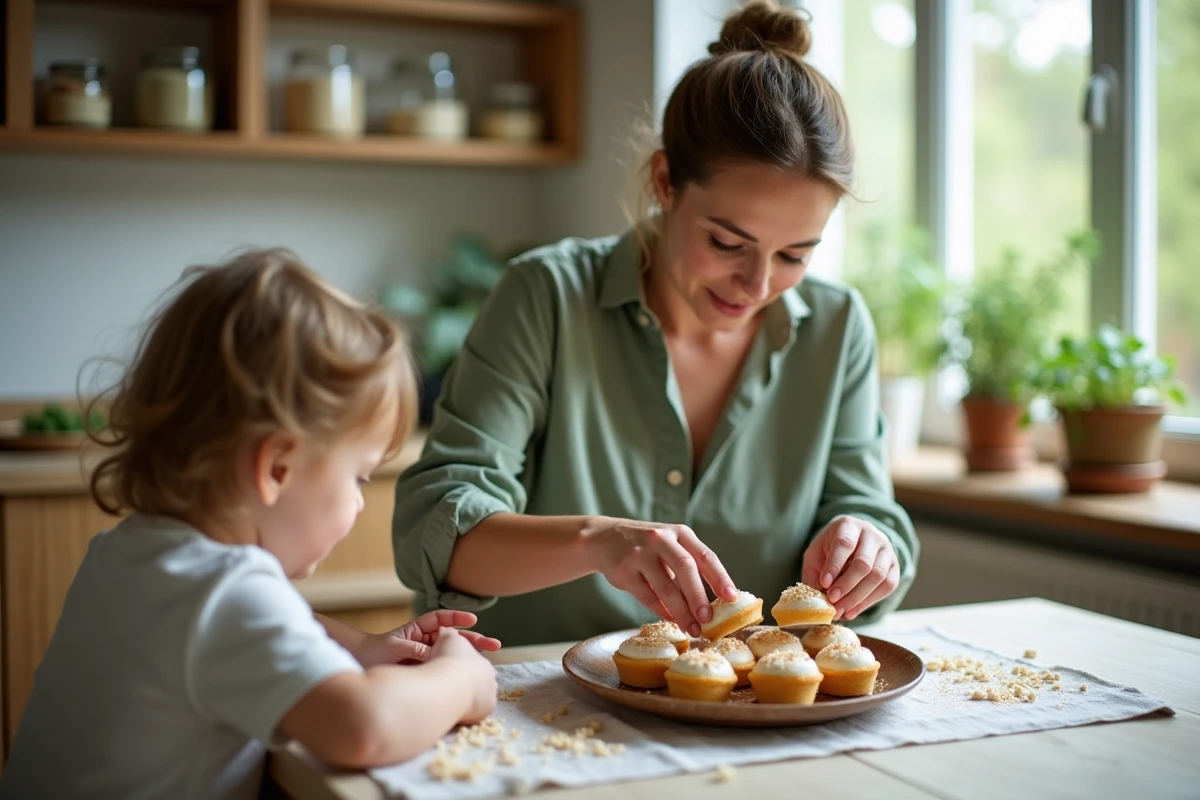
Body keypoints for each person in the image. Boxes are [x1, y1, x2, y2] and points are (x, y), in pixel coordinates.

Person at [393, 0, 919, 647]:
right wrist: (597, 541)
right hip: (532, 697)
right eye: (728, 243)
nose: (757, 286)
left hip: (748, 720)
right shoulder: (546, 296)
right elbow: (433, 532)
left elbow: (868, 510)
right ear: (665, 182)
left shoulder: (839, 328)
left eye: (794, 255)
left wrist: (871, 544)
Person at [2, 250, 500, 799]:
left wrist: (359, 647)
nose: (359, 503)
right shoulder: (224, 592)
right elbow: (364, 727)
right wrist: (458, 681)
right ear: (276, 469)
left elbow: (250, 628)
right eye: (357, 477)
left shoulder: (128, 552)